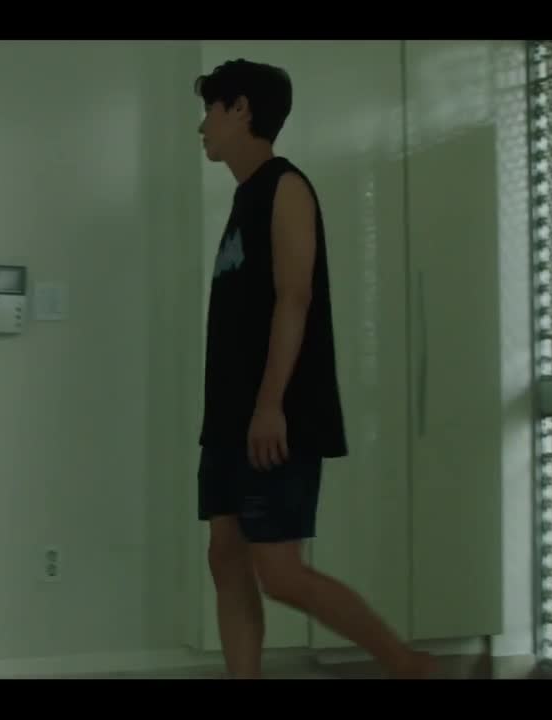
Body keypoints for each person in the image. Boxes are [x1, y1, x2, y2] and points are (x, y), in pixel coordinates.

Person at [194, 59, 437, 680]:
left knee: (279, 572)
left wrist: (269, 404)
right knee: (225, 557)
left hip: (273, 413)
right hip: (228, 415)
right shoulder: (245, 197)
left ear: (240, 109)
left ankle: (409, 666)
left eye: (210, 110)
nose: (202, 126)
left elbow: (295, 297)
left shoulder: (285, 187)